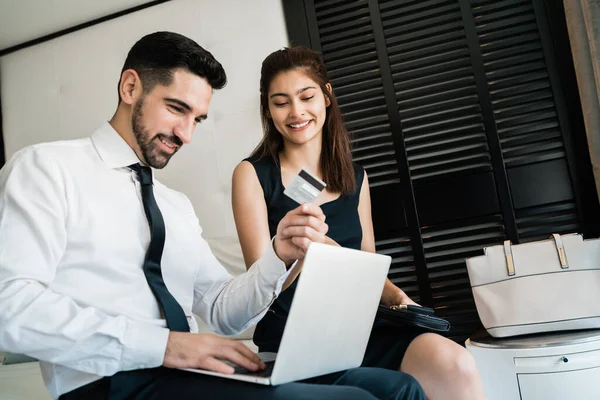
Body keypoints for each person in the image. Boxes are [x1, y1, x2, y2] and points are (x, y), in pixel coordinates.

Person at [0, 32, 426, 400]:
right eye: (176, 108)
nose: (186, 134)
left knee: (397, 390)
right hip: (109, 383)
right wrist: (166, 346)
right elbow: (10, 308)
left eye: (198, 119)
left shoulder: (174, 205)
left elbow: (223, 310)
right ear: (131, 87)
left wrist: (279, 255)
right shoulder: (47, 168)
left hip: (189, 376)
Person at [232, 46, 487, 400]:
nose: (296, 112)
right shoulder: (252, 175)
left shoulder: (355, 177)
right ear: (268, 109)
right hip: (296, 337)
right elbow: (258, 286)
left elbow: (368, 265)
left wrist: (399, 298)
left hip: (360, 326)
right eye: (280, 102)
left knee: (454, 362)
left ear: (327, 96)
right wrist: (311, 251)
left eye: (306, 96)